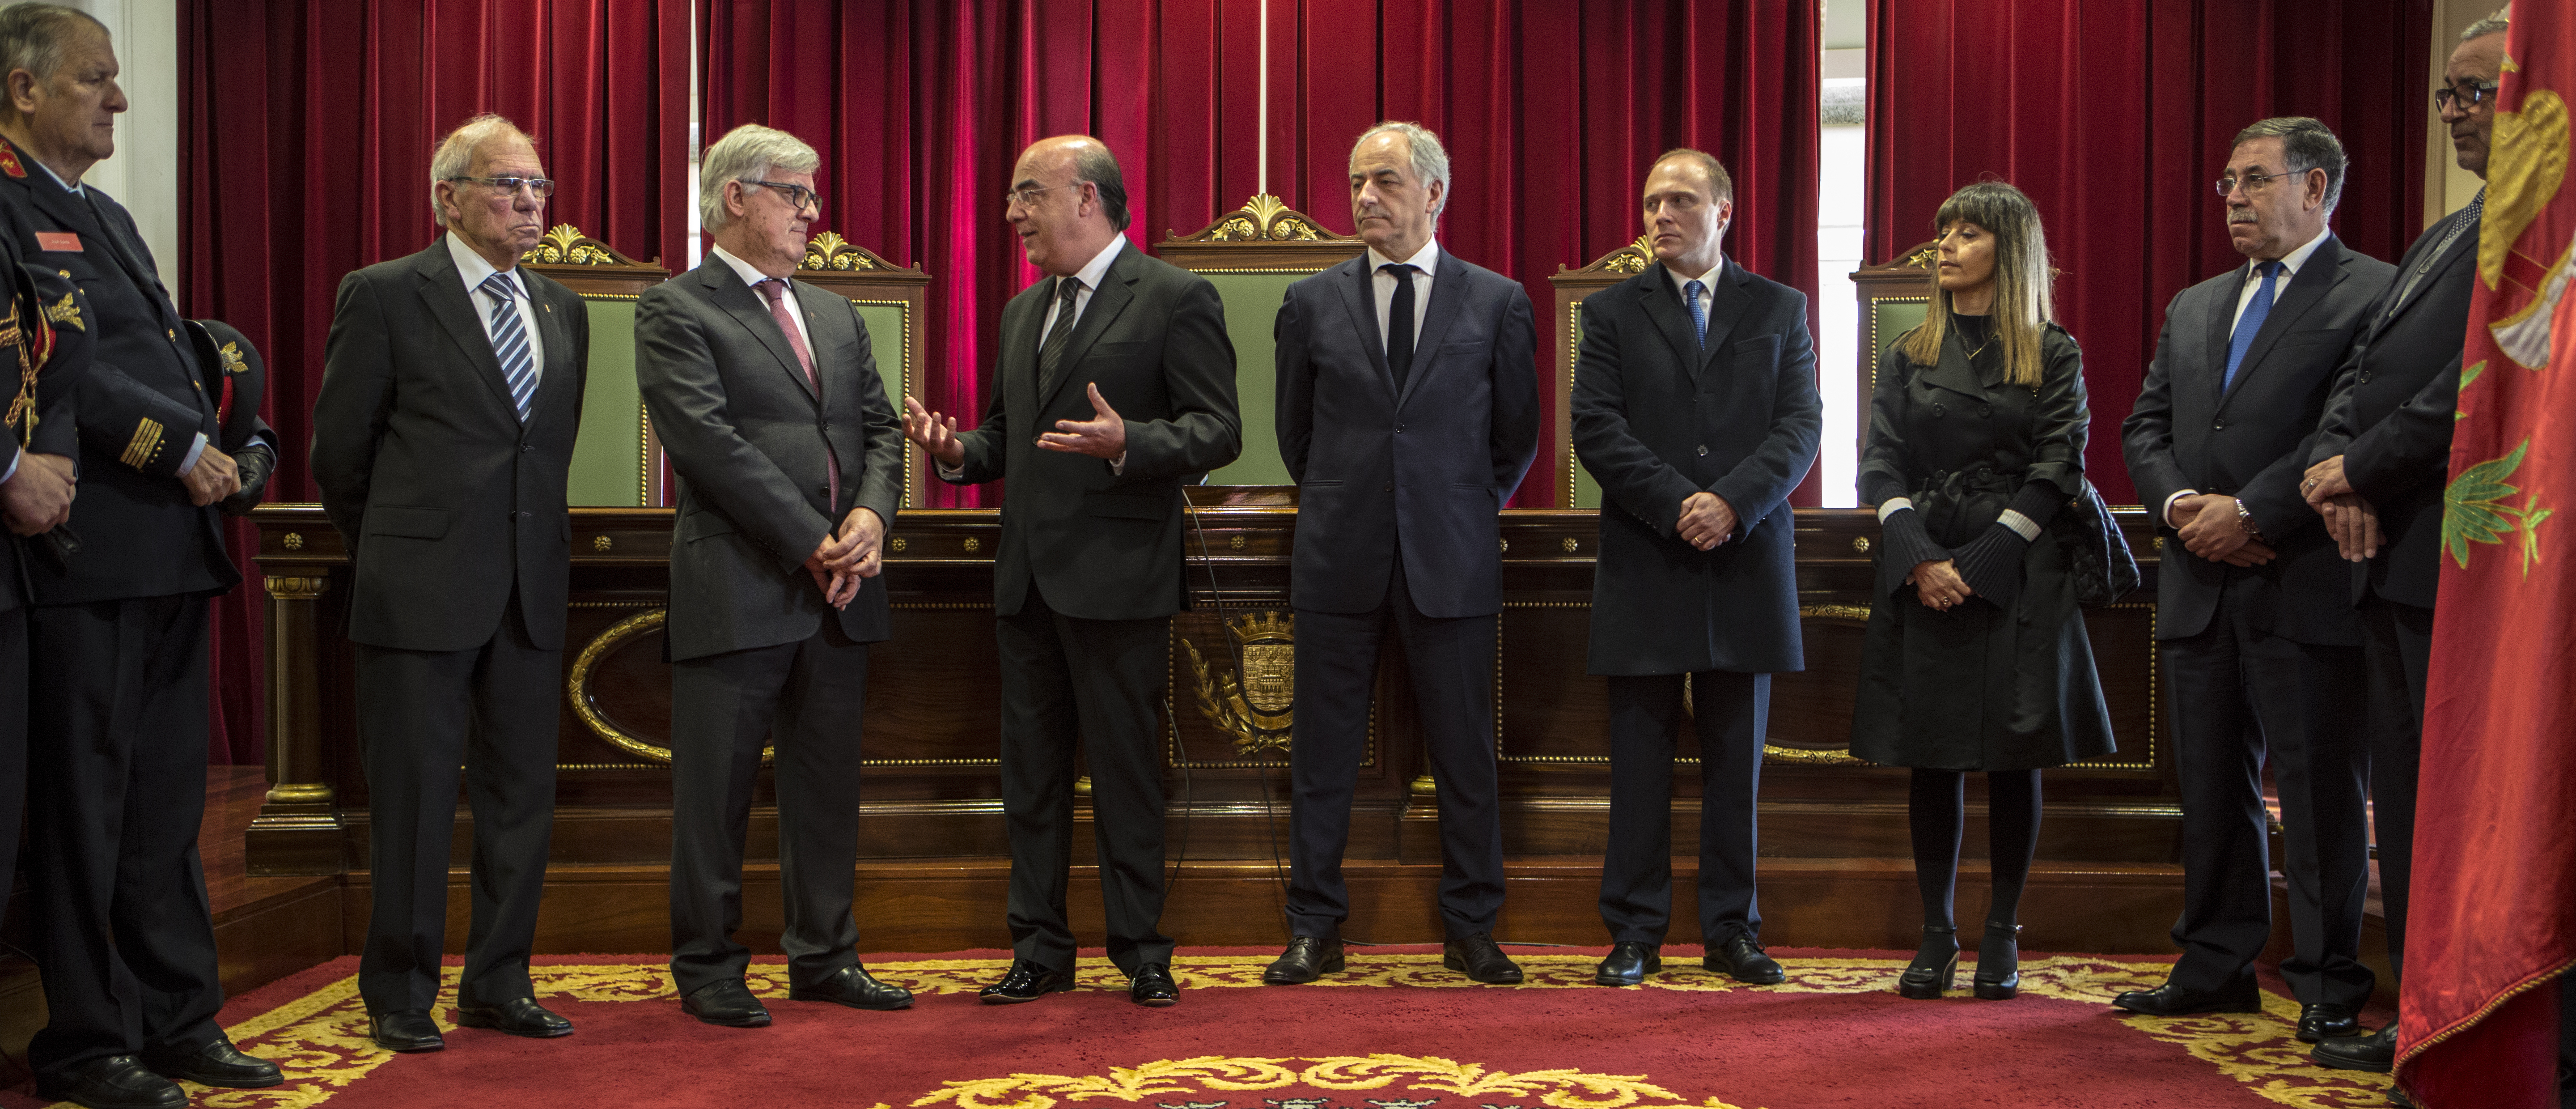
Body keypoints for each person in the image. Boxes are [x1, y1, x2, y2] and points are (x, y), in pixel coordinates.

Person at [0, 6, 283, 1106]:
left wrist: (230, 442)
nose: (118, 99)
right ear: (25, 91)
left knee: (164, 806)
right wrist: (183, 452)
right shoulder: (9, 206)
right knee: (85, 803)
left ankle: (178, 1017)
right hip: (85, 545)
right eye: (96, 79)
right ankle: (83, 1037)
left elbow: (168, 352)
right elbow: (63, 369)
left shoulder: (102, 213)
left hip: (171, 544)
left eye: (119, 78)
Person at [902, 135, 1239, 1008]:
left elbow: (1219, 431)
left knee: (1128, 775)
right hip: (1028, 586)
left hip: (1121, 581)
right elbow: (1006, 438)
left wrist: (1134, 442)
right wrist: (955, 452)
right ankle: (1040, 948)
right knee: (1033, 779)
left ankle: (1142, 948)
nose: (1011, 213)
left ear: (1086, 198)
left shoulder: (1173, 297)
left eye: (1026, 195)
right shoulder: (1024, 312)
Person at [312, 114, 591, 1052]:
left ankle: (499, 982)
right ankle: (400, 988)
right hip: (416, 591)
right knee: (417, 799)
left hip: (529, 590)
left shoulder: (564, 308)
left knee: (521, 798)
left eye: (539, 187)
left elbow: (540, 455)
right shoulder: (386, 294)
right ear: (448, 197)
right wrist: (399, 549)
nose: (529, 202)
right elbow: (339, 455)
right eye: (508, 184)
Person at [2114, 117, 2392, 1042]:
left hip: (2303, 576)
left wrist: (2256, 514)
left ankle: (2326, 980)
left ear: (2316, 190)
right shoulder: (2196, 304)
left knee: (2317, 793)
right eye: (2228, 181)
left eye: (2256, 181)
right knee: (2211, 787)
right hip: (2200, 579)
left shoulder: (2374, 293)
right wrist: (2187, 504)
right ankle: (2216, 964)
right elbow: (2144, 426)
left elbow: (2345, 430)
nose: (2233, 197)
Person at [638, 123, 908, 1028]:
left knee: (826, 788)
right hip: (740, 584)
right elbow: (707, 444)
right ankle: (709, 965)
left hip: (839, 591)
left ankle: (826, 956)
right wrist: (810, 538)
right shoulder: (678, 307)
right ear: (735, 198)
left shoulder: (835, 312)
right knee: (712, 793)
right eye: (794, 193)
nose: (811, 212)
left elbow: (878, 430)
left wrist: (869, 519)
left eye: (813, 195)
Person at [1262, 121, 1541, 986]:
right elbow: (1296, 437)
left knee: (1464, 755)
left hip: (1451, 558)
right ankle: (1314, 926)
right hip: (1338, 557)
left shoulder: (1497, 302)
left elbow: (1516, 439)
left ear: (1435, 194)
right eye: (1354, 183)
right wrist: (1360, 503)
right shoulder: (1311, 303)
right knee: (1323, 756)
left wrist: (1451, 507)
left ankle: (1472, 927)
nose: (1364, 198)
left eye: (1383, 181)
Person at [2299, 10, 2507, 1081]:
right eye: (2449, 94)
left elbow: (2478, 380)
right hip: (2385, 553)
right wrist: (2340, 467)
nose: (2456, 111)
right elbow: (2364, 366)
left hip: (2463, 560)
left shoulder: (2542, 231)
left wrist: (2362, 467)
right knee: (2407, 801)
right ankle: (2421, 1007)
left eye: (2476, 91)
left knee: (2458, 803)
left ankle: (2472, 1017)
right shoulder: (2447, 228)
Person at [1850, 180, 2114, 1002]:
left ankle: (2002, 931)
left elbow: (2059, 467)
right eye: (1943, 232)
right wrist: (1922, 557)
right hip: (1924, 561)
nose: (1946, 247)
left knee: (2011, 757)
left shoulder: (2052, 349)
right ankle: (1937, 933)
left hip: (2018, 570)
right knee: (1931, 757)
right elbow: (1880, 463)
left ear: (2011, 249)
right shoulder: (1910, 352)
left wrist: (1990, 559)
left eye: (1967, 234)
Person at [1569, 148, 1821, 987]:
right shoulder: (1609, 313)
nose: (1660, 215)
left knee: (1735, 763)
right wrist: (1681, 502)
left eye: (1680, 200)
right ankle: (1636, 930)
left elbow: (1800, 427)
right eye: (1650, 203)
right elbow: (1597, 428)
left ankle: (1732, 929)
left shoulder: (1781, 308)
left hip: (1746, 557)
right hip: (1649, 553)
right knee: (1638, 762)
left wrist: (1733, 504)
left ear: (1725, 211)